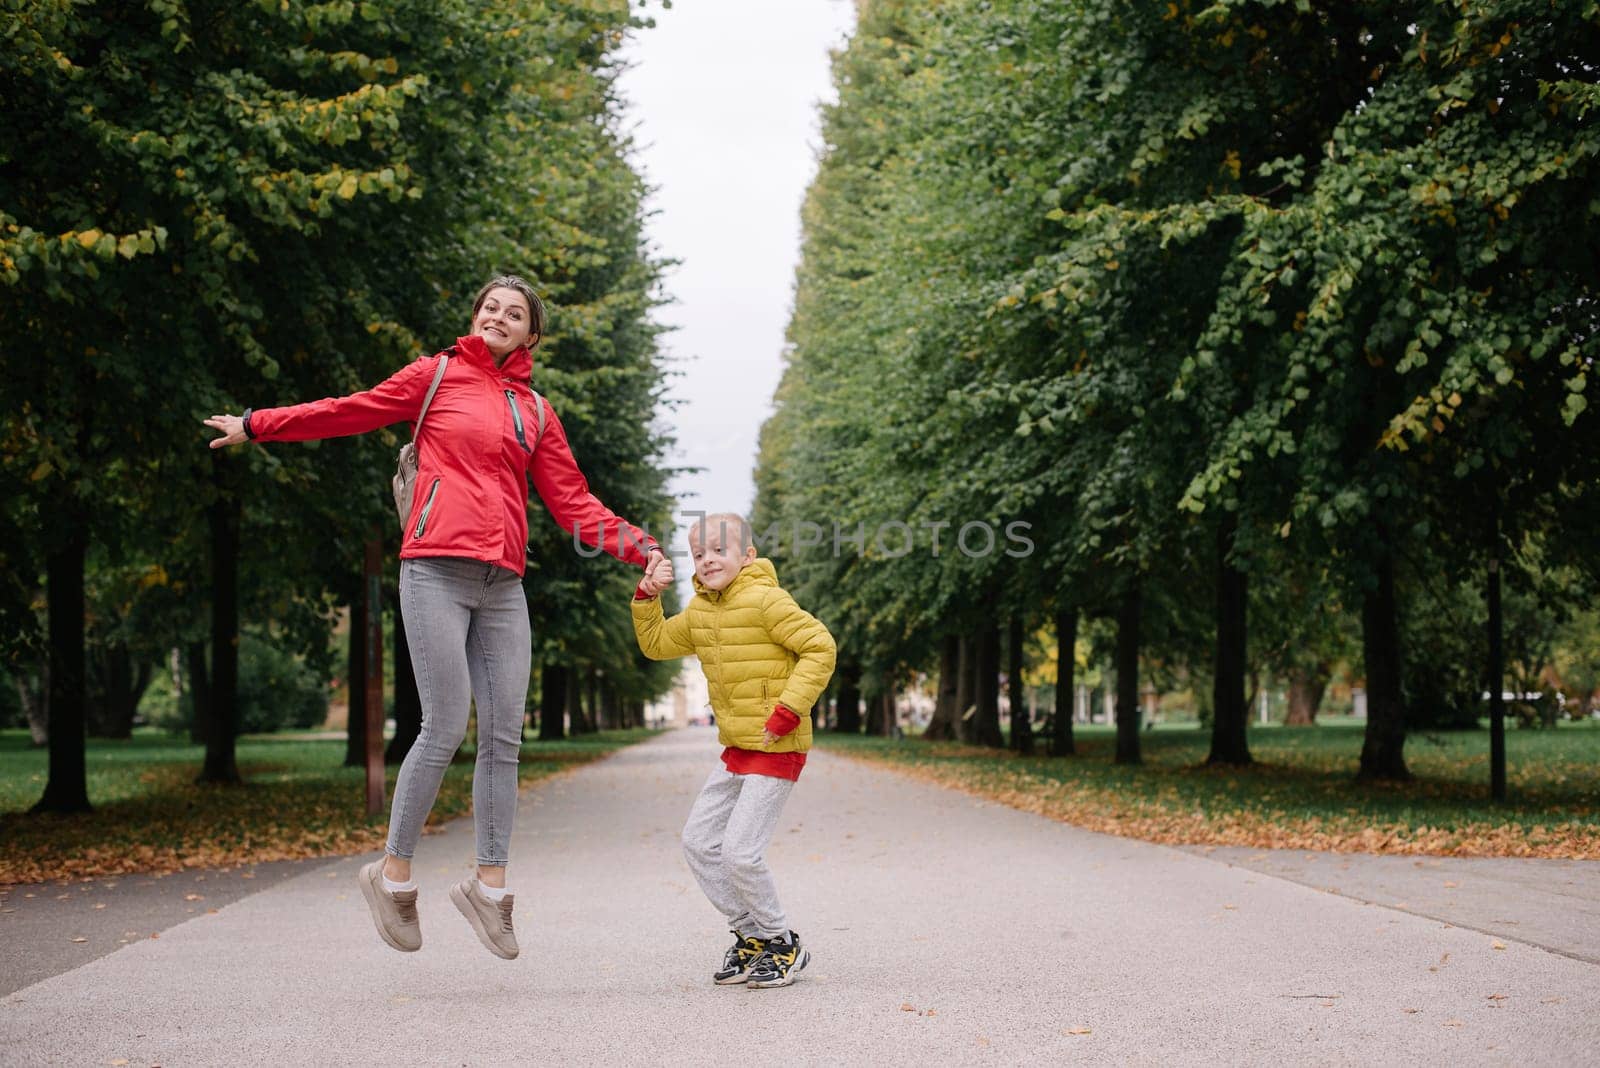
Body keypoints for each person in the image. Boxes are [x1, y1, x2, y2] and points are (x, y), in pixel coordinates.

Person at [204, 275, 672, 960]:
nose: (499, 318)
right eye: (490, 308)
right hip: (433, 569)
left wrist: (643, 548)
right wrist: (256, 425)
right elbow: (350, 410)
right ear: (475, 317)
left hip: (502, 583)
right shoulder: (437, 376)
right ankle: (391, 877)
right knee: (446, 723)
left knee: (504, 735)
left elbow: (574, 506)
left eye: (514, 314)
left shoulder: (536, 412)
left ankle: (489, 890)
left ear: (530, 336)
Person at [633, 513, 835, 988]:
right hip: (736, 749)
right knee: (699, 842)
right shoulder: (701, 613)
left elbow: (820, 647)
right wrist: (647, 597)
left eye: (718, 550)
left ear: (746, 556)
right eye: (698, 553)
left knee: (741, 852)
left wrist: (789, 708)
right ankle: (752, 937)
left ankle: (782, 943)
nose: (707, 560)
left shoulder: (767, 600)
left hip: (778, 744)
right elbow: (658, 644)